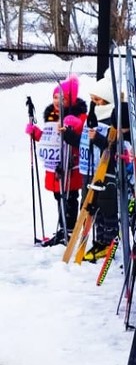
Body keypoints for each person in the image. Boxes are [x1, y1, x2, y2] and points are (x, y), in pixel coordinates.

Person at [25, 75, 87, 246]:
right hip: (54, 168)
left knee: (69, 197)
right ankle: (62, 227)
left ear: (71, 99)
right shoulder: (51, 116)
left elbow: (81, 139)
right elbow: (48, 138)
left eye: (63, 98)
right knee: (58, 197)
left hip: (70, 166)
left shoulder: (80, 116)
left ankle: (68, 229)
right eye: (55, 97)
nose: (57, 101)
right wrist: (35, 133)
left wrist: (71, 128)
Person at [82, 74, 119, 262]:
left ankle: (108, 241)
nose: (94, 104)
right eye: (92, 100)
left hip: (108, 172)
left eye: (98, 100)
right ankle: (99, 239)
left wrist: (97, 139)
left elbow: (112, 148)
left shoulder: (112, 121)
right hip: (92, 170)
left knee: (107, 207)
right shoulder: (92, 119)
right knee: (94, 206)